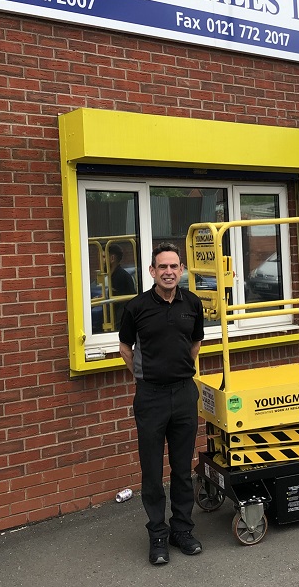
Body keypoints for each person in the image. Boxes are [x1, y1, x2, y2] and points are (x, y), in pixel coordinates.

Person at [118, 242, 205, 565]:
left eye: (174, 267)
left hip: (184, 394)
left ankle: (181, 530)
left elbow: (195, 342)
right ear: (152, 272)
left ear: (181, 270)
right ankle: (158, 535)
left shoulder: (192, 304)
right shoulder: (137, 307)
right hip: (150, 397)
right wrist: (145, 376)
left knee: (183, 470)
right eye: (162, 267)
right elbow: (125, 347)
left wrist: (179, 368)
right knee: (152, 472)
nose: (169, 272)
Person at [106, 242, 136, 329]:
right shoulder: (113, 274)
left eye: (104, 257)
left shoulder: (120, 276)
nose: (101, 260)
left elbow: (122, 303)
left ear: (112, 258)